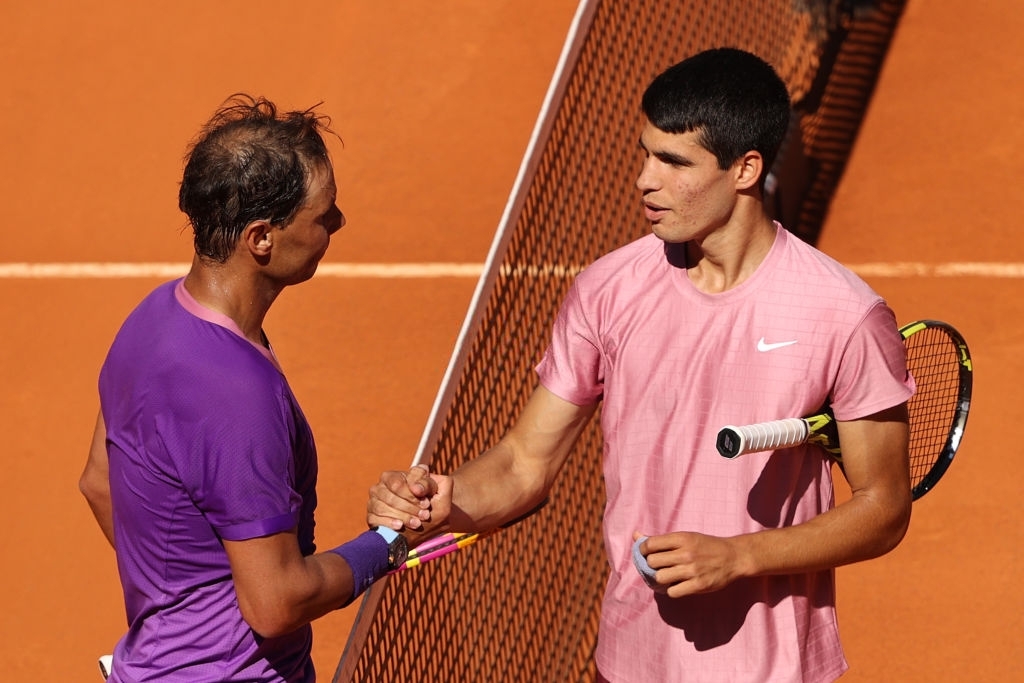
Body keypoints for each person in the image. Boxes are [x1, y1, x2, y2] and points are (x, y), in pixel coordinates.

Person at [369, 48, 915, 682]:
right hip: (628, 662)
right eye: (646, 153)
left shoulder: (843, 314)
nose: (644, 179)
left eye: (674, 162)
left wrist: (739, 557)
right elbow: (525, 462)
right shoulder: (607, 291)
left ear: (746, 169)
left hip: (771, 670)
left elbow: (883, 507)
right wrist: (448, 498)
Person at [78, 94, 443, 682]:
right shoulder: (235, 395)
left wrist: (187, 604)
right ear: (262, 239)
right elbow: (276, 603)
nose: (339, 223)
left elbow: (100, 482)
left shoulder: (147, 322)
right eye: (324, 215)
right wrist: (388, 544)